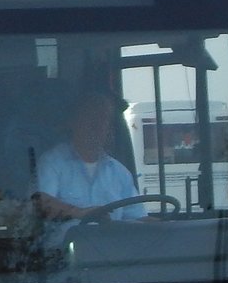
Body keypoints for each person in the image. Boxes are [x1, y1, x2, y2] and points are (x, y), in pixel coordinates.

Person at [33, 91, 145, 222]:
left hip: (109, 242)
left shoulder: (120, 173)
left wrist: (168, 226)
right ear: (73, 121)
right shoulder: (52, 162)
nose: (97, 125)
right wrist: (79, 212)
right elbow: (39, 204)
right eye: (91, 117)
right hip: (64, 242)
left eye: (104, 119)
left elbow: (138, 219)